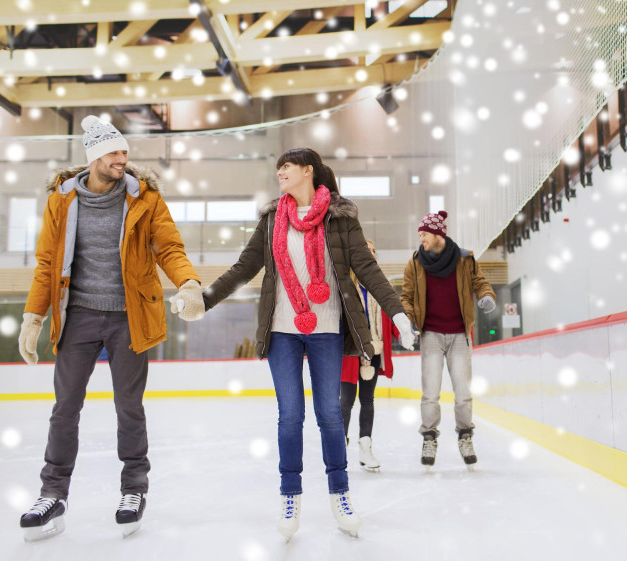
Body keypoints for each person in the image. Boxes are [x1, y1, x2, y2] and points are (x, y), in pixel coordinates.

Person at [202, 148, 414, 542]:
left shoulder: (340, 218)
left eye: (287, 166)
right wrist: (204, 298)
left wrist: (397, 312)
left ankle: (340, 493)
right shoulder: (271, 221)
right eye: (278, 166)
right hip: (282, 329)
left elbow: (366, 268)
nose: (280, 172)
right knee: (290, 415)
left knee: (330, 415)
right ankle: (290, 495)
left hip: (327, 327)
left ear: (307, 171)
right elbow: (243, 268)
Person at [16, 115, 204, 541]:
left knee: (129, 407)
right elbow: (47, 264)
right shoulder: (61, 200)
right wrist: (34, 317)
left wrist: (189, 283)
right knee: (64, 409)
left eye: (125, 152)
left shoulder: (144, 198)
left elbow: (168, 246)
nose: (123, 159)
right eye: (115, 153)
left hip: (129, 317)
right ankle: (52, 494)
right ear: (94, 157)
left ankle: (133, 489)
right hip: (77, 315)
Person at [400, 210, 496, 469]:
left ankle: (466, 436)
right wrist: (408, 318)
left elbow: (480, 282)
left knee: (463, 393)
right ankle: (429, 437)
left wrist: (486, 295)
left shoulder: (465, 259)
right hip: (430, 334)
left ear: (438, 234)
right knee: (430, 392)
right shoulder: (415, 262)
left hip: (459, 335)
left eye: (424, 234)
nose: (421, 239)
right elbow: (407, 296)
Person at [339, 240, 401, 471]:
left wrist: (402, 332)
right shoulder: (345, 285)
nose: (372, 254)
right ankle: (339, 448)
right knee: (346, 401)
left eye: (375, 250)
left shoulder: (380, 285)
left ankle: (365, 448)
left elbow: (392, 312)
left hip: (374, 351)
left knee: (367, 400)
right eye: (368, 250)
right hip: (349, 351)